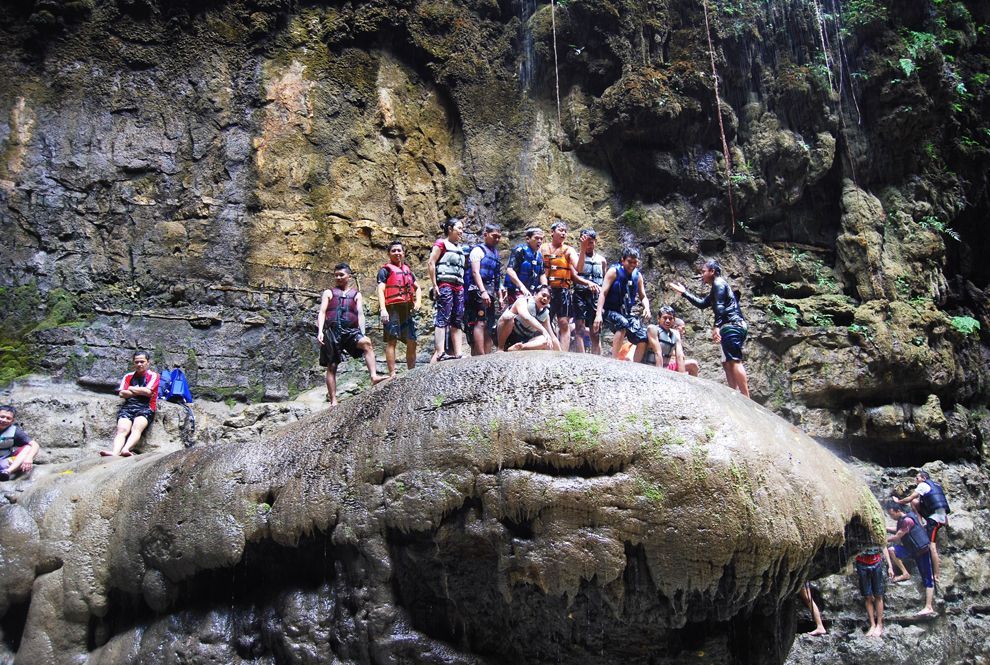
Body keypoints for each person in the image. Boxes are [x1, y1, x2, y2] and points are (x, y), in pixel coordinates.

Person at [669, 259, 750, 397]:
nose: (702, 275)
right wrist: (684, 293)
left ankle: (746, 398)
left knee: (734, 360)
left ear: (712, 271)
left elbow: (719, 306)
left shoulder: (719, 283)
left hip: (732, 325)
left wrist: (716, 327)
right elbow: (702, 304)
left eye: (703, 271)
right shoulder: (717, 287)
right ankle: (734, 394)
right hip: (731, 326)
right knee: (727, 362)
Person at [318, 263, 384, 406]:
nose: (338, 277)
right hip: (332, 331)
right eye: (336, 275)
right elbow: (322, 312)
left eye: (341, 275)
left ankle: (373, 376)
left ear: (349, 276)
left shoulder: (356, 294)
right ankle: (333, 400)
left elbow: (360, 313)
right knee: (332, 365)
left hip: (350, 331)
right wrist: (320, 332)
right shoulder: (329, 293)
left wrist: (362, 332)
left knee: (366, 343)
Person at [594, 247, 651, 361]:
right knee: (623, 323)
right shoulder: (613, 271)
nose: (632, 265)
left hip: (626, 313)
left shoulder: (637, 276)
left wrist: (647, 308)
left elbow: (643, 296)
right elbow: (603, 293)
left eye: (635, 262)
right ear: (623, 260)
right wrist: (598, 314)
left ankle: (636, 364)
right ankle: (614, 360)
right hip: (609, 311)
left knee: (643, 335)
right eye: (629, 261)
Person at [100, 351, 161, 457]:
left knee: (137, 428)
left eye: (142, 362)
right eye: (137, 362)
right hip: (128, 407)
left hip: (146, 407)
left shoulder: (153, 376)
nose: (139, 364)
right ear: (133, 363)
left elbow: (148, 392)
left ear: (148, 363)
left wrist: (132, 388)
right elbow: (122, 393)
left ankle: (126, 449)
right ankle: (115, 452)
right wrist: (139, 391)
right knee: (122, 430)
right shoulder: (128, 376)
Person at [893, 470, 950, 584]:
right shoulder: (936, 485)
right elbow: (938, 502)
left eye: (917, 478)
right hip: (941, 516)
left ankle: (937, 574)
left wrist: (898, 501)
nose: (916, 481)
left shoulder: (923, 485)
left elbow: (909, 499)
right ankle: (920, 523)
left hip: (935, 520)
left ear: (923, 478)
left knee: (931, 546)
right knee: (915, 502)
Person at [377, 241, 422, 378]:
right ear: (389, 254)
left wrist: (418, 302)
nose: (397, 253)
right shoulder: (385, 270)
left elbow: (417, 287)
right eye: (393, 251)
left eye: (399, 251)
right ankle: (392, 373)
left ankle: (411, 371)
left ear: (403, 253)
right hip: (392, 308)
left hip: (406, 308)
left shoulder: (407, 270)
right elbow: (380, 289)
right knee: (392, 339)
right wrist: (383, 309)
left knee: (412, 340)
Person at [885, 501, 936, 617]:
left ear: (898, 511)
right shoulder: (903, 519)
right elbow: (898, 529)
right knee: (892, 550)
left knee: (927, 578)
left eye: (892, 514)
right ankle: (905, 573)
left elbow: (898, 535)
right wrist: (886, 528)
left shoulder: (907, 520)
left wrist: (884, 540)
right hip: (912, 550)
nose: (891, 516)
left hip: (922, 551)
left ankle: (929, 606)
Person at [428, 218, 467, 362]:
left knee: (457, 318)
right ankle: (440, 352)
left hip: (458, 285)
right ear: (450, 229)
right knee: (443, 317)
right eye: (459, 228)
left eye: (462, 229)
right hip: (445, 284)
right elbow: (431, 262)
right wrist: (434, 284)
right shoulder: (441, 244)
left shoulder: (459, 248)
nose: (461, 232)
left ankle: (458, 352)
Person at [541, 220, 583, 352]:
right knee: (543, 320)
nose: (564, 233)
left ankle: (563, 353)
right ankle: (544, 349)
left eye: (565, 231)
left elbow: (579, 268)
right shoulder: (543, 248)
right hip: (546, 290)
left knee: (564, 323)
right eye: (561, 230)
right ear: (552, 232)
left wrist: (582, 248)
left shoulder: (569, 250)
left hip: (563, 290)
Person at [465, 224, 504, 355]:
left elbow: (497, 277)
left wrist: (500, 296)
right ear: (485, 234)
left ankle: (487, 356)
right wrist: (482, 291)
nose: (497, 239)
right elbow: (475, 273)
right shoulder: (478, 250)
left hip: (490, 292)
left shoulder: (495, 253)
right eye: (494, 236)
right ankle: (481, 355)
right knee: (480, 322)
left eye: (499, 237)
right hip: (477, 291)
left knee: (489, 325)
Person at [497, 285, 561, 351]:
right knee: (508, 317)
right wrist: (543, 330)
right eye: (543, 295)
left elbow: (552, 337)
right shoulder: (522, 301)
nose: (545, 299)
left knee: (546, 340)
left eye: (548, 298)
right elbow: (526, 317)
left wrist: (561, 354)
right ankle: (500, 348)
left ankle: (520, 347)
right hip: (507, 336)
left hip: (523, 341)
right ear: (535, 294)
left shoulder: (545, 315)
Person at [573, 229, 606, 354]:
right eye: (585, 243)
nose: (588, 245)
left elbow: (604, 280)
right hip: (580, 294)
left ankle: (596, 358)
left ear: (595, 242)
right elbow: (578, 270)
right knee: (579, 328)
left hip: (595, 296)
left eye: (591, 242)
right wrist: (582, 249)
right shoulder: (576, 257)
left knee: (596, 331)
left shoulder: (602, 260)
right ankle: (581, 358)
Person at [853, 542, 895, 637]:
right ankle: (872, 624)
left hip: (876, 562)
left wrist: (890, 566)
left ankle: (879, 624)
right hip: (861, 563)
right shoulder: (858, 531)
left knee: (878, 595)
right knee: (867, 596)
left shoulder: (877, 530)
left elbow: (883, 546)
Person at [503, 227, 547, 307]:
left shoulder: (539, 256)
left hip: (532, 292)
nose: (539, 241)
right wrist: (521, 287)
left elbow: (542, 273)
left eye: (541, 239)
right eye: (536, 238)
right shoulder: (520, 250)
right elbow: (510, 270)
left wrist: (544, 288)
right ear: (528, 239)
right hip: (517, 290)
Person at [0, 405, 40, 480]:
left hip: (5, 461)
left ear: (12, 421)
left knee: (29, 447)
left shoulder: (15, 431)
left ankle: (6, 473)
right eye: (2, 417)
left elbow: (35, 445)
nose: (4, 420)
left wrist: (29, 458)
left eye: (8, 418)